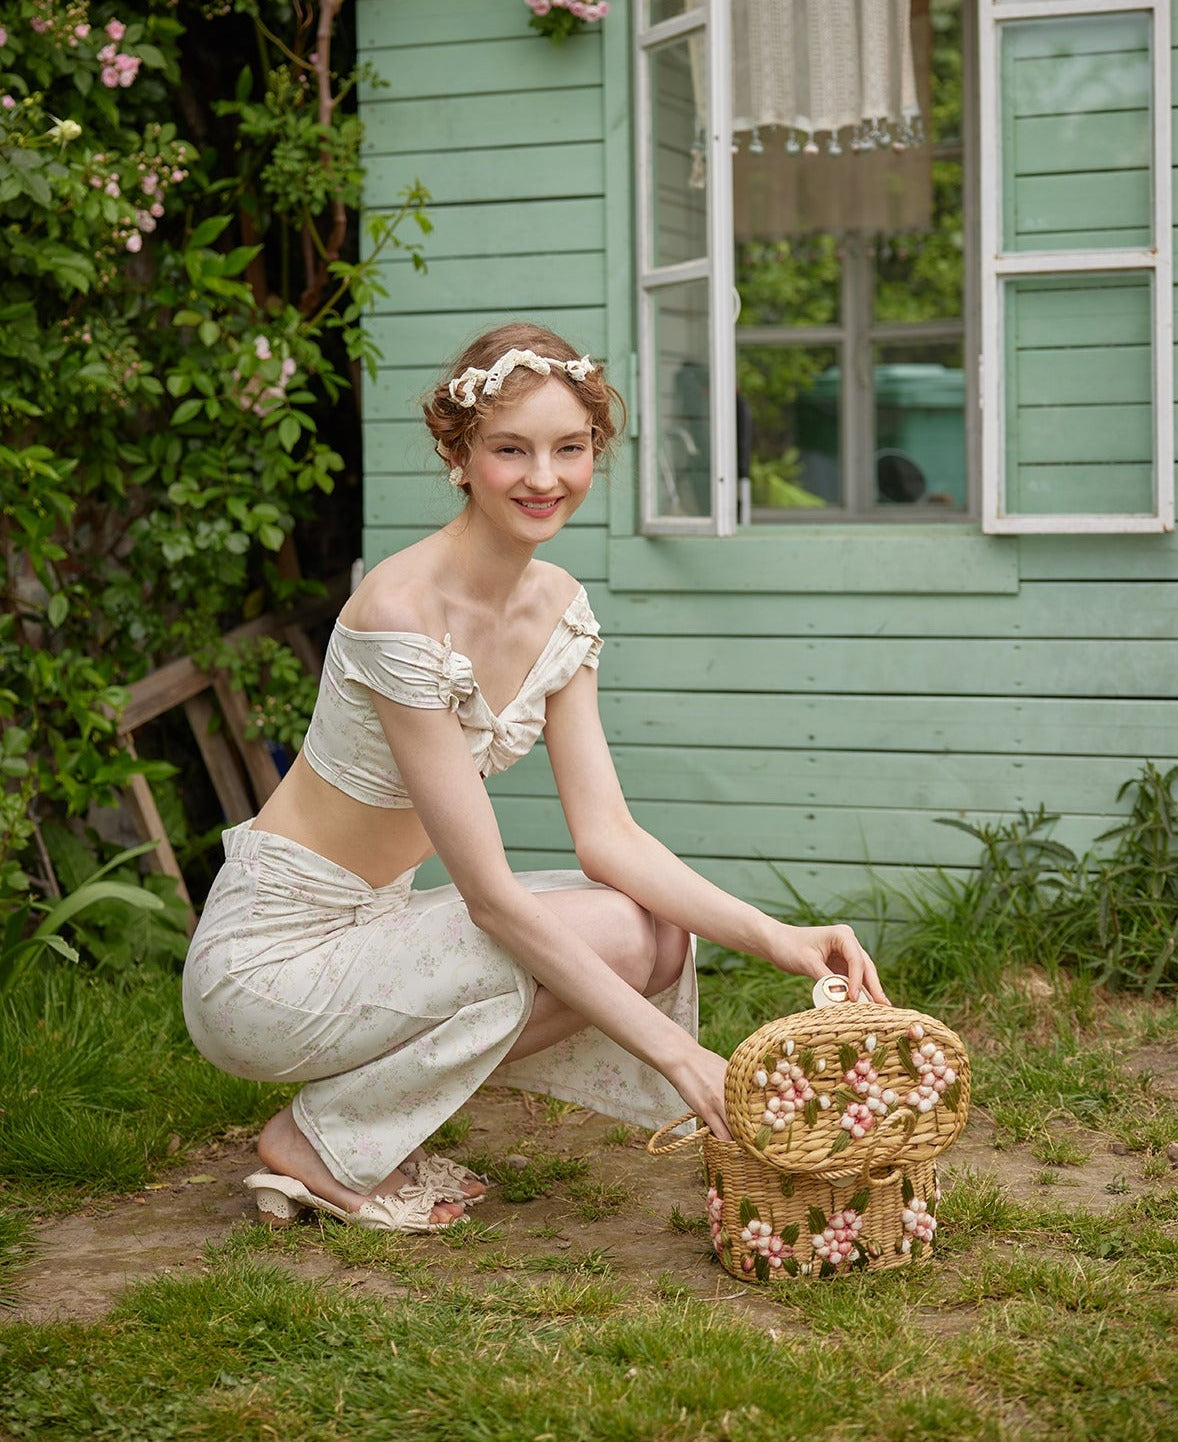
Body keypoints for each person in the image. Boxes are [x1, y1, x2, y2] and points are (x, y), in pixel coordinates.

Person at [182, 321, 888, 1235]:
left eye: (570, 448)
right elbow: (493, 903)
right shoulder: (401, 610)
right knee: (600, 935)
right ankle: (321, 1144)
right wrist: (681, 1055)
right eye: (510, 449)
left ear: (597, 451)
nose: (543, 478)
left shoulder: (558, 605)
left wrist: (779, 937)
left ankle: (353, 1129)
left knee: (657, 938)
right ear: (458, 452)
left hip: (375, 931)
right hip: (269, 968)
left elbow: (610, 839)